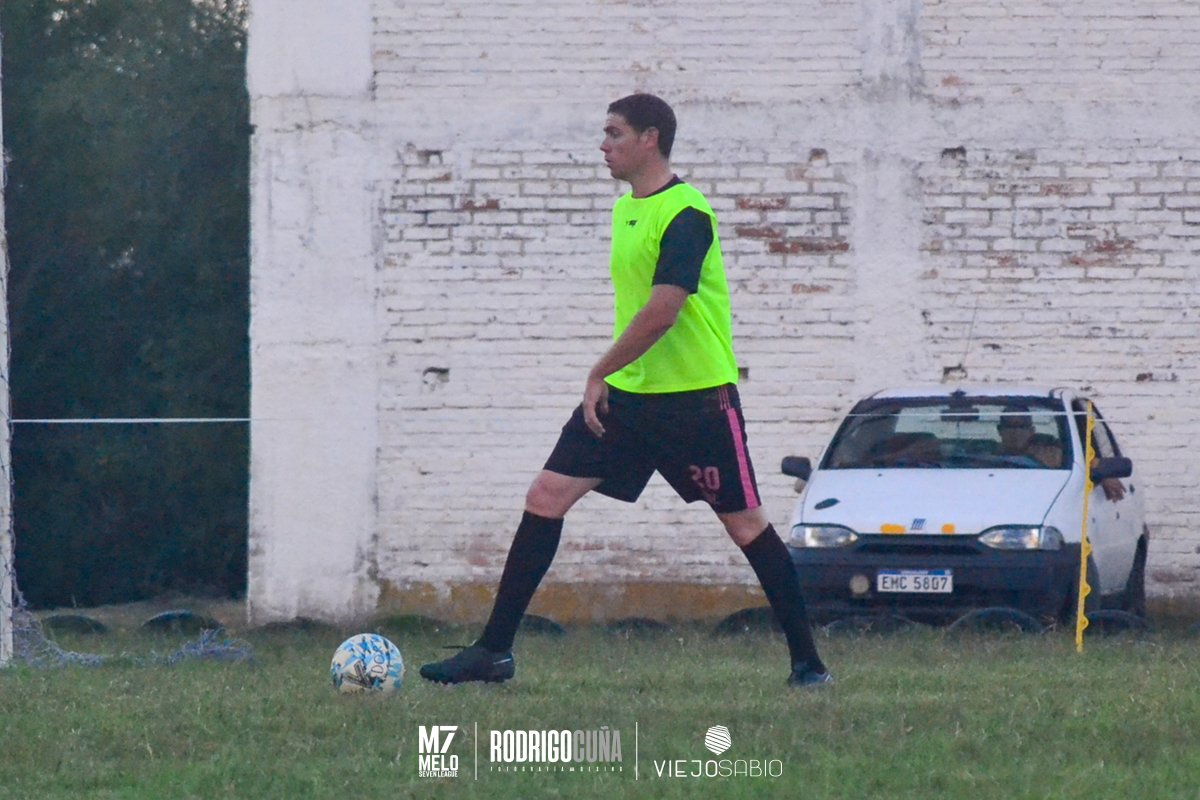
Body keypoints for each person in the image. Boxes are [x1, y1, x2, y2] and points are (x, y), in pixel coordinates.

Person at [420, 93, 829, 688]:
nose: (603, 144)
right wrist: (611, 379)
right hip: (629, 399)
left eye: (614, 133)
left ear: (650, 138)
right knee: (545, 496)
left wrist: (597, 372)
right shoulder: (625, 211)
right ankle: (494, 652)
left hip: (695, 402)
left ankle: (809, 666)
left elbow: (664, 309)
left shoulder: (687, 212)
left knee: (746, 526)